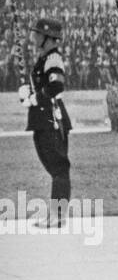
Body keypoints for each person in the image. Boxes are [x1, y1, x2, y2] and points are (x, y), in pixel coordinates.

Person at [22, 18, 73, 228]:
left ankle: (58, 215)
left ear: (47, 37)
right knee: (54, 167)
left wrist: (37, 97)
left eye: (38, 34)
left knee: (59, 167)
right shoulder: (43, 58)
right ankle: (56, 214)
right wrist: (27, 93)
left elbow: (56, 85)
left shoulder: (53, 57)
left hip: (51, 117)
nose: (34, 37)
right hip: (42, 118)